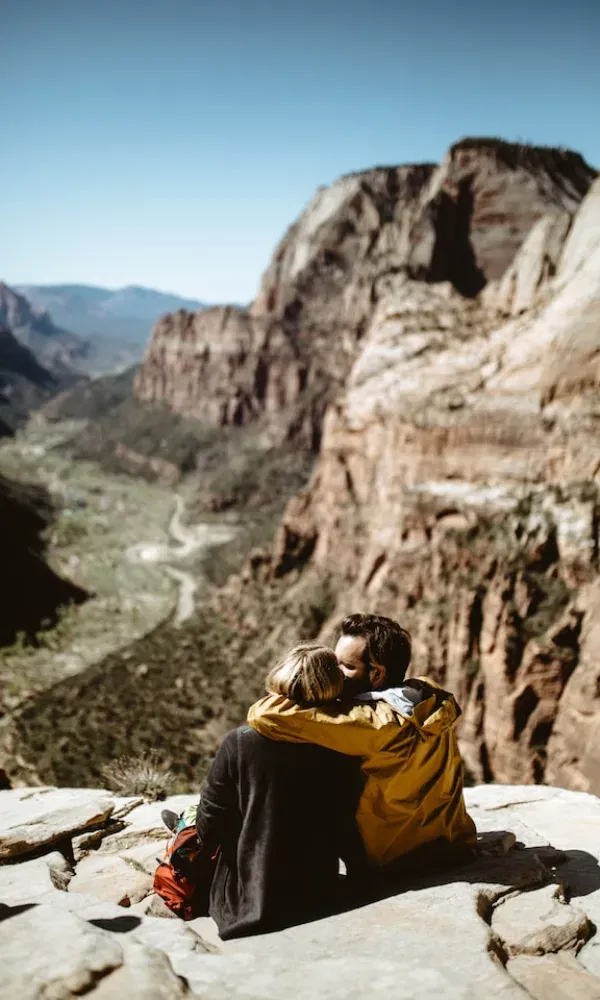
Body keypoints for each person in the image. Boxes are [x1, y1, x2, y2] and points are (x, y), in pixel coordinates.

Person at [248, 614, 477, 875]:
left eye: (345, 666)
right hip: (450, 843)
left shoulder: (371, 723)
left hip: (392, 860)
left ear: (376, 673)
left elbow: (264, 714)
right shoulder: (427, 693)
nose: (335, 673)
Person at [193, 643, 368, 940]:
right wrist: (363, 876)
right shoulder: (344, 746)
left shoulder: (240, 742)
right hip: (317, 891)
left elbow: (209, 826)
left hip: (250, 900)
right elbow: (345, 825)